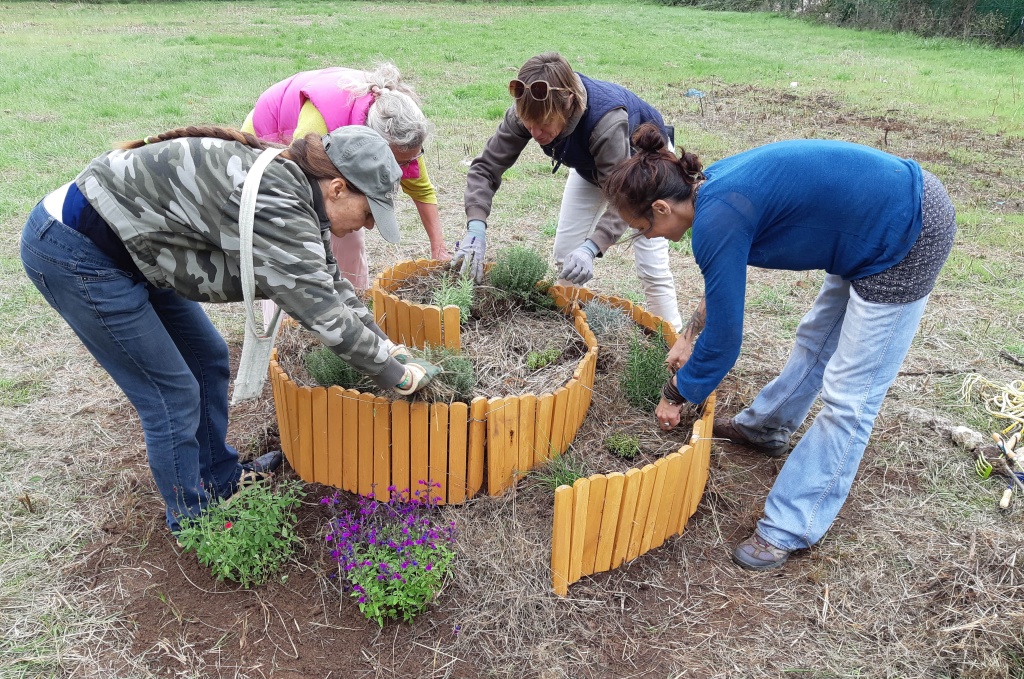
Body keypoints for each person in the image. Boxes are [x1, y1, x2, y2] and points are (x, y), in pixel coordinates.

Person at [20, 124, 439, 534]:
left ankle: (221, 479)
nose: (368, 226)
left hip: (135, 246)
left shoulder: (296, 190)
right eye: (369, 212)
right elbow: (322, 311)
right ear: (337, 188)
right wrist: (396, 375)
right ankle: (192, 518)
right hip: (79, 252)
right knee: (171, 392)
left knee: (209, 358)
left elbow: (331, 284)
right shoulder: (279, 204)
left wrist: (388, 348)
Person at [603, 124, 956, 571]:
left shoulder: (718, 215)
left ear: (660, 207)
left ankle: (790, 525)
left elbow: (728, 341)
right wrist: (688, 337)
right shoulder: (710, 193)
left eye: (644, 228)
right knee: (815, 339)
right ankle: (768, 428)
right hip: (866, 225)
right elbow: (721, 285)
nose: (648, 238)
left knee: (851, 395)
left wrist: (677, 393)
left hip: (908, 230)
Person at [453, 52, 683, 332]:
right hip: (591, 166)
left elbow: (625, 199)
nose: (535, 133)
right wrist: (475, 228)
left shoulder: (607, 122)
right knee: (566, 255)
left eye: (544, 126)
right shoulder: (529, 108)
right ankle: (571, 334)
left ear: (569, 104)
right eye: (529, 125)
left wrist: (592, 246)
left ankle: (673, 346)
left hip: (646, 171)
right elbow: (486, 167)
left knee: (651, 268)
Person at [244, 63, 449, 288]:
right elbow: (294, 188)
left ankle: (354, 299)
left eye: (409, 160)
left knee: (351, 222)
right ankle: (288, 318)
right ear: (375, 144)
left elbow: (422, 189)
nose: (403, 167)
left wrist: (438, 250)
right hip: (276, 142)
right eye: (398, 162)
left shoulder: (405, 138)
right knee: (291, 242)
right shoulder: (319, 126)